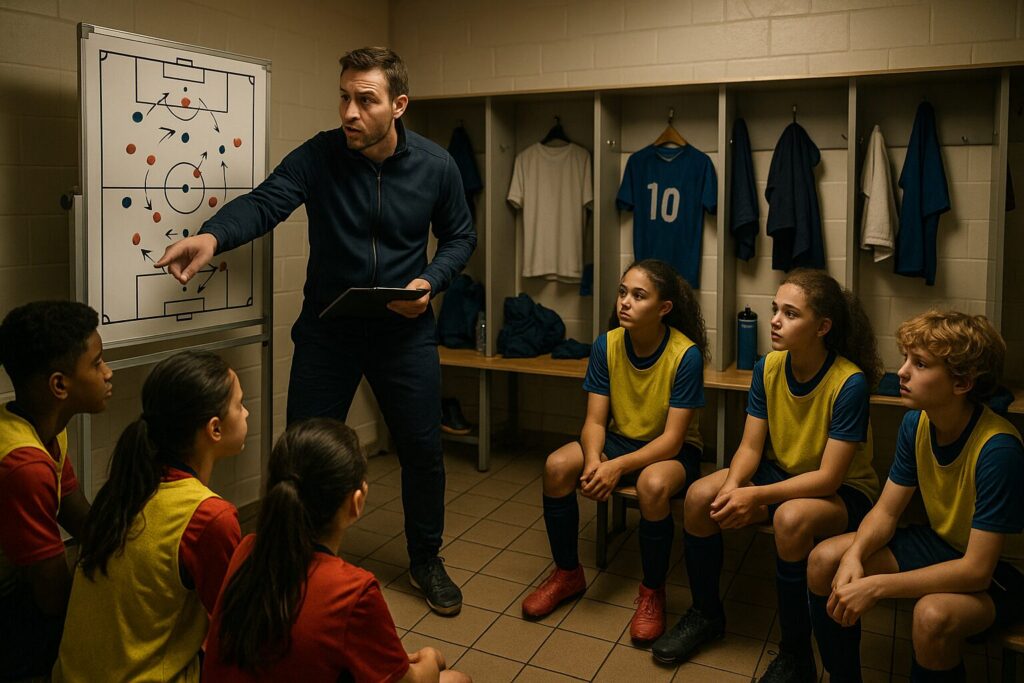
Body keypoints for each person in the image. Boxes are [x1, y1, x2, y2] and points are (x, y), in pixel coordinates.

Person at [154, 46, 475, 616]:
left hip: (404, 331)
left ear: (398, 105)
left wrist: (431, 281)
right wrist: (212, 238)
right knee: (300, 448)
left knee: (423, 449)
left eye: (365, 100)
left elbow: (459, 237)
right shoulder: (320, 156)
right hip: (330, 329)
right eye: (344, 97)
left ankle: (426, 558)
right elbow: (264, 203)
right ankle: (295, 559)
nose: (350, 112)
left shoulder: (436, 165)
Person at [654, 268, 883, 682]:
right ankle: (706, 614)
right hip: (780, 472)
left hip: (843, 491)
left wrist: (758, 498)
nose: (775, 320)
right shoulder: (769, 367)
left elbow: (829, 478)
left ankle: (796, 654)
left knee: (790, 519)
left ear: (823, 327)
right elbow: (749, 448)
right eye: (775, 309)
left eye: (791, 314)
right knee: (699, 498)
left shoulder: (848, 383)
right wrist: (732, 489)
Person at [808, 311, 1024, 683]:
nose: (902, 372)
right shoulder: (918, 421)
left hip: (1002, 570)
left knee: (931, 616)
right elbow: (887, 512)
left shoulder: (998, 450)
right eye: (906, 358)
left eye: (920, 364)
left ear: (961, 383)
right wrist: (855, 557)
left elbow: (976, 570)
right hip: (944, 544)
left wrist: (875, 586)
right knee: (825, 560)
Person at [520, 259, 708, 642]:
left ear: (664, 308)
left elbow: (672, 440)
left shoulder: (684, 355)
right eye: (623, 292)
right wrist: (593, 461)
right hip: (621, 438)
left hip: (672, 449)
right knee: (557, 466)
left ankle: (652, 591)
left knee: (653, 486)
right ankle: (567, 573)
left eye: (639, 296)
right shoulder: (607, 344)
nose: (625, 302)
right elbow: (593, 422)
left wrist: (615, 467)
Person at [204, 418, 471, 683]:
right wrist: (431, 656)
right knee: (457, 679)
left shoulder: (247, 549)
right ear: (357, 502)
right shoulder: (354, 591)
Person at [53, 350, 246, 683]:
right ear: (214, 429)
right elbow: (235, 630)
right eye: (239, 405)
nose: (246, 413)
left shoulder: (124, 487)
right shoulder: (209, 516)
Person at [0, 301, 111, 680]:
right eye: (96, 363)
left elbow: (74, 508)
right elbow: (51, 594)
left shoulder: (40, 426)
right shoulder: (24, 465)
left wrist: (129, 551)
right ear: (59, 385)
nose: (107, 373)